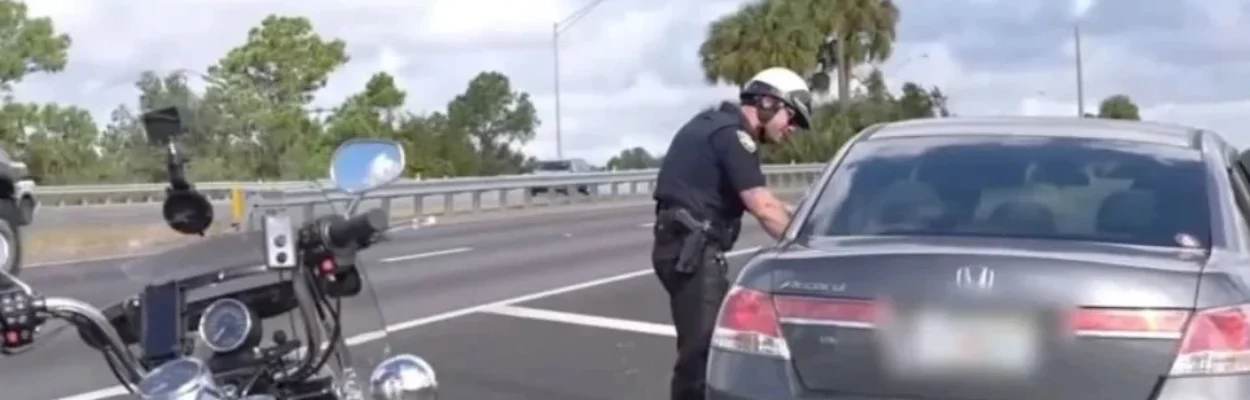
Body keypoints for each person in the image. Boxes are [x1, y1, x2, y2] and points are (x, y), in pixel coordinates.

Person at [651, 66, 813, 400]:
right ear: (768, 103)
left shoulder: (710, 125)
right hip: (693, 250)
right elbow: (763, 207)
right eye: (791, 117)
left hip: (679, 244)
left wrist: (802, 217)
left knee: (699, 348)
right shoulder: (735, 137)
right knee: (702, 354)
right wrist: (809, 250)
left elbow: (766, 201)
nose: (791, 129)